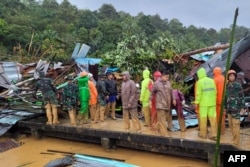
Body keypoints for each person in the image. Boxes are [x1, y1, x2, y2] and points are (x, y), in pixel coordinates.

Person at [194, 68, 217, 140]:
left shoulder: (199, 82)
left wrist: (196, 102)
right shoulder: (212, 80)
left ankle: (203, 134)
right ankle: (213, 135)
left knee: (203, 119)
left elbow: (198, 94)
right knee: (213, 119)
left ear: (199, 75)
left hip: (203, 104)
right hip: (212, 103)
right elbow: (215, 92)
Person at [224, 70, 245, 145]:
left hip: (236, 108)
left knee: (236, 124)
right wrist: (225, 108)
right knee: (231, 125)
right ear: (228, 77)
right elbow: (225, 98)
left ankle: (237, 140)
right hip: (229, 109)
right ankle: (234, 137)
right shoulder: (226, 86)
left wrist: (242, 108)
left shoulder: (238, 85)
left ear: (235, 77)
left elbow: (242, 96)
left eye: (233, 76)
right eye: (230, 76)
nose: (231, 77)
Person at [151, 70, 175, 136]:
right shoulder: (156, 83)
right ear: (162, 76)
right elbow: (151, 92)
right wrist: (150, 100)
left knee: (165, 118)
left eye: (168, 77)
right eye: (166, 77)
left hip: (167, 104)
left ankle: (156, 128)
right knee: (162, 119)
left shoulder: (168, 83)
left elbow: (171, 91)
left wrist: (174, 99)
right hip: (160, 104)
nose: (167, 78)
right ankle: (164, 134)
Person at [213, 67, 226, 134]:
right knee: (223, 116)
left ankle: (220, 131)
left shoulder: (215, 80)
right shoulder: (224, 78)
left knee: (218, 116)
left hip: (217, 101)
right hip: (224, 101)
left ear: (215, 72)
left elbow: (214, 92)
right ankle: (223, 130)